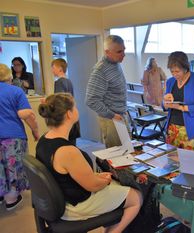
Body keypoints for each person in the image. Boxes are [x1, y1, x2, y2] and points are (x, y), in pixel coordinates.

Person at [36, 93, 142, 232]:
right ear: (69, 114)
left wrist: (98, 177)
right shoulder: (67, 151)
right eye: (75, 107)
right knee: (136, 197)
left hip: (64, 198)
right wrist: (106, 180)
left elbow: (71, 176)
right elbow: (92, 186)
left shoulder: (44, 140)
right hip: (76, 206)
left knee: (117, 187)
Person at [0, 63, 39, 211]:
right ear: (9, 76)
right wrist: (35, 131)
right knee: (13, 167)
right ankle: (11, 199)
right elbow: (26, 114)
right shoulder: (15, 91)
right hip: (12, 137)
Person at [85, 35, 128, 148]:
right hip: (111, 119)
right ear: (107, 52)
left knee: (127, 152)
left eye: (124, 50)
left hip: (121, 115)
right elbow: (91, 100)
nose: (123, 54)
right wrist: (112, 115)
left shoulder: (116, 64)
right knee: (117, 157)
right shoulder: (100, 70)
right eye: (119, 51)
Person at [163, 51, 194, 151]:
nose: (174, 74)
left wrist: (181, 107)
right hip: (172, 129)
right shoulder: (170, 82)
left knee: (193, 163)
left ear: (185, 68)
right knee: (173, 162)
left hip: (191, 130)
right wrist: (165, 102)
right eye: (172, 71)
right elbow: (164, 106)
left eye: (177, 71)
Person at [52, 58, 81, 145]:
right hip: (71, 114)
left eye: (53, 67)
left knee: (64, 144)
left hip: (64, 117)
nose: (52, 70)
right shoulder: (69, 81)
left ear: (60, 69)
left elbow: (60, 101)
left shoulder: (59, 83)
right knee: (72, 144)